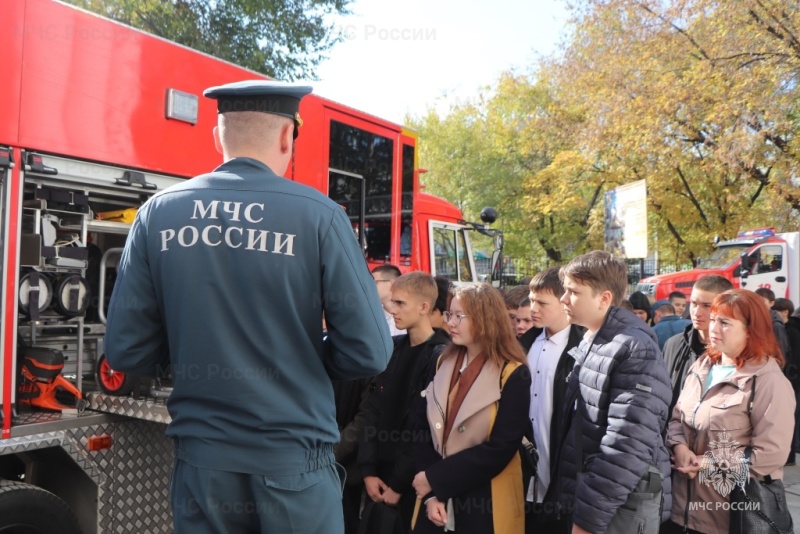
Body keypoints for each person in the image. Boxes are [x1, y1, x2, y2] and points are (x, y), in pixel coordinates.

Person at [104, 80, 393, 534]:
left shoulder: (158, 212)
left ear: (217, 137)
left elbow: (126, 350)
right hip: (292, 467)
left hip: (203, 468)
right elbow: (370, 351)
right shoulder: (321, 216)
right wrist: (308, 357)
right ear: (286, 137)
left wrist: (188, 355)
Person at [551, 251, 672, 534]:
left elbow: (626, 445)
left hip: (615, 512)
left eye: (573, 292)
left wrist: (587, 521)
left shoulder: (633, 347)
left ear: (604, 298)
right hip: (594, 500)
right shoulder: (597, 338)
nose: (563, 299)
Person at [664, 289, 795, 534]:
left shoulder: (768, 381)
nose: (713, 328)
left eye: (724, 322)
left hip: (732, 518)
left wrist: (708, 463)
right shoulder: (702, 366)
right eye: (713, 319)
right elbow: (677, 418)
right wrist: (679, 447)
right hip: (680, 512)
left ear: (750, 329)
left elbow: (770, 455)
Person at [411, 283, 531, 534]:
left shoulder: (512, 372)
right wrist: (431, 493)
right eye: (449, 314)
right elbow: (420, 426)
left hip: (484, 501)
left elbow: (502, 447)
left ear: (485, 319)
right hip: (433, 498)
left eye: (459, 316)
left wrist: (435, 479)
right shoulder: (442, 361)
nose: (450, 322)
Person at [359, 272, 450, 529]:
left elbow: (422, 425)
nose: (392, 310)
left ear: (424, 307)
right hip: (379, 472)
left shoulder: (440, 355)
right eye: (392, 302)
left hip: (414, 479)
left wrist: (398, 484)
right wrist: (368, 470)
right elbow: (373, 409)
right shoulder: (392, 347)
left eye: (400, 304)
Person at [517, 267, 584, 533]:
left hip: (560, 470)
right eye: (531, 300)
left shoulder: (582, 348)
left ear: (564, 300)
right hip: (522, 467)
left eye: (542, 303)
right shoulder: (525, 343)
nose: (533, 308)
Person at [662, 275, 733, 415]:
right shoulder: (673, 345)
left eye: (707, 306)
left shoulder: (734, 352)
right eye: (694, 303)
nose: (696, 312)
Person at [773, 298, 800, 465]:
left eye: (776, 311)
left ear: (785, 312)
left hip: (792, 380)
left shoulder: (791, 331)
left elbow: (793, 359)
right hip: (791, 380)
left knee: (789, 418)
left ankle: (788, 457)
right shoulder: (788, 329)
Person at [754, 287, 791, 361]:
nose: (758, 304)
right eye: (756, 301)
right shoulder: (756, 320)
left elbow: (781, 352)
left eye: (762, 301)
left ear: (771, 303)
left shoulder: (776, 325)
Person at [372, 264, 406, 336]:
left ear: (392, 283)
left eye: (375, 283)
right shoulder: (372, 315)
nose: (370, 287)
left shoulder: (411, 314)